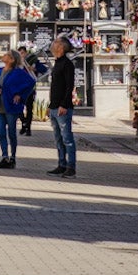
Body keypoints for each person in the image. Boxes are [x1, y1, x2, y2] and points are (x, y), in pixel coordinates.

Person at [0, 49, 36, 169]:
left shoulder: (18, 72)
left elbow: (31, 82)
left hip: (11, 106)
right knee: (1, 132)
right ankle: (4, 157)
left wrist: (21, 95)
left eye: (6, 55)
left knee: (12, 133)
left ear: (12, 59)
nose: (3, 56)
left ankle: (13, 158)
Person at [47, 35, 78, 178]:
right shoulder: (57, 62)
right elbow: (55, 86)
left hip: (62, 107)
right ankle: (61, 164)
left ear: (61, 47)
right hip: (54, 106)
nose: (52, 45)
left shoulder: (67, 64)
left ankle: (71, 167)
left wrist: (64, 104)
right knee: (58, 138)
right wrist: (50, 105)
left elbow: (68, 85)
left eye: (55, 43)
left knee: (67, 138)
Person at [17, 45, 48, 136]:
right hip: (20, 88)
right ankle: (24, 123)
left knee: (29, 109)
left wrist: (34, 69)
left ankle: (28, 129)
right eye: (19, 54)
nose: (21, 55)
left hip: (30, 88)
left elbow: (44, 69)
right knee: (18, 108)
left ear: (26, 53)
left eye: (22, 53)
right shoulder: (17, 62)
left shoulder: (33, 60)